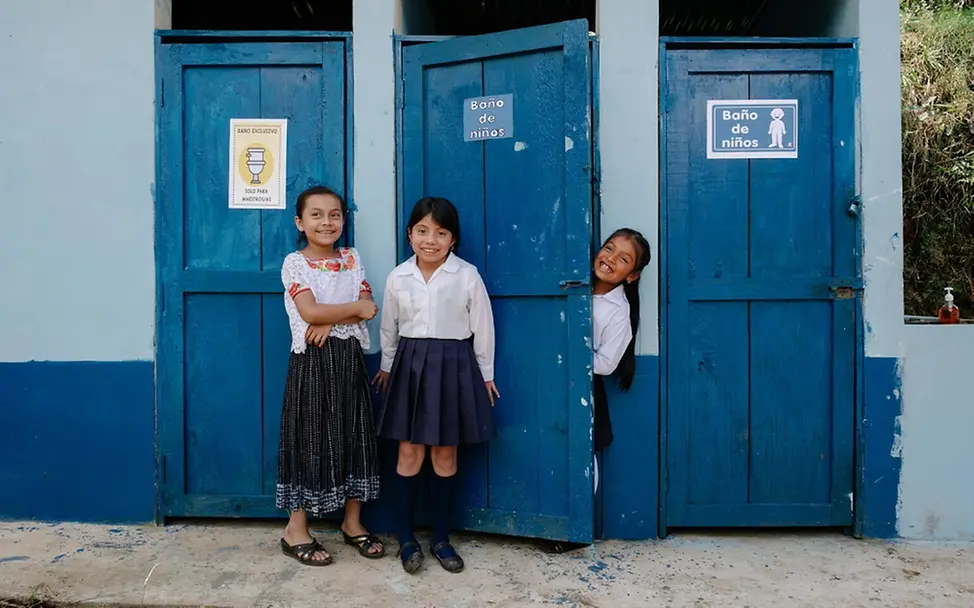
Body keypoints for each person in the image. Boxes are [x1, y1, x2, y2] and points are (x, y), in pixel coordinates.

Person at [373, 197, 499, 575]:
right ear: (410, 235)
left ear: (452, 240)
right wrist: (386, 367)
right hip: (409, 369)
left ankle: (442, 538)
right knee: (409, 454)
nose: (431, 240)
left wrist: (485, 375)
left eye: (440, 233)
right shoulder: (398, 276)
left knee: (445, 455)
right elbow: (389, 328)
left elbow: (483, 326)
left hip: (454, 368)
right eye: (423, 231)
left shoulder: (466, 275)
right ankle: (406, 539)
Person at [276, 185, 384, 566]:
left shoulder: (352, 259)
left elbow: (369, 308)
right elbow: (309, 313)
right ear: (300, 222)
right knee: (309, 438)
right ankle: (296, 529)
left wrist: (330, 315)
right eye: (316, 214)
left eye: (335, 214)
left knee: (355, 435)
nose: (327, 221)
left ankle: (352, 522)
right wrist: (340, 313)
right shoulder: (295, 263)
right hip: (312, 362)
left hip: (348, 359)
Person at [591, 227, 651, 495]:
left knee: (581, 454)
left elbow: (605, 364)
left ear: (632, 276)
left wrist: (567, 352)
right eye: (609, 248)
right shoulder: (573, 287)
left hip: (584, 390)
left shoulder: (618, 313)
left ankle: (578, 529)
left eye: (624, 259)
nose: (611, 258)